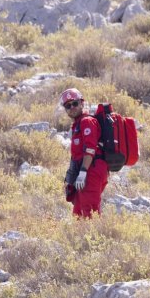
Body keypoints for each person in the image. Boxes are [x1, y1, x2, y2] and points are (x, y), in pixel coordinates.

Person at [61, 88, 109, 218]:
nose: (72, 107)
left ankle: (95, 237)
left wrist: (83, 172)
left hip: (92, 170)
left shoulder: (87, 122)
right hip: (84, 171)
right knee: (78, 213)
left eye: (75, 103)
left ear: (82, 103)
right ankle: (80, 237)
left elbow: (90, 149)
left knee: (89, 212)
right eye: (68, 105)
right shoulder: (77, 124)